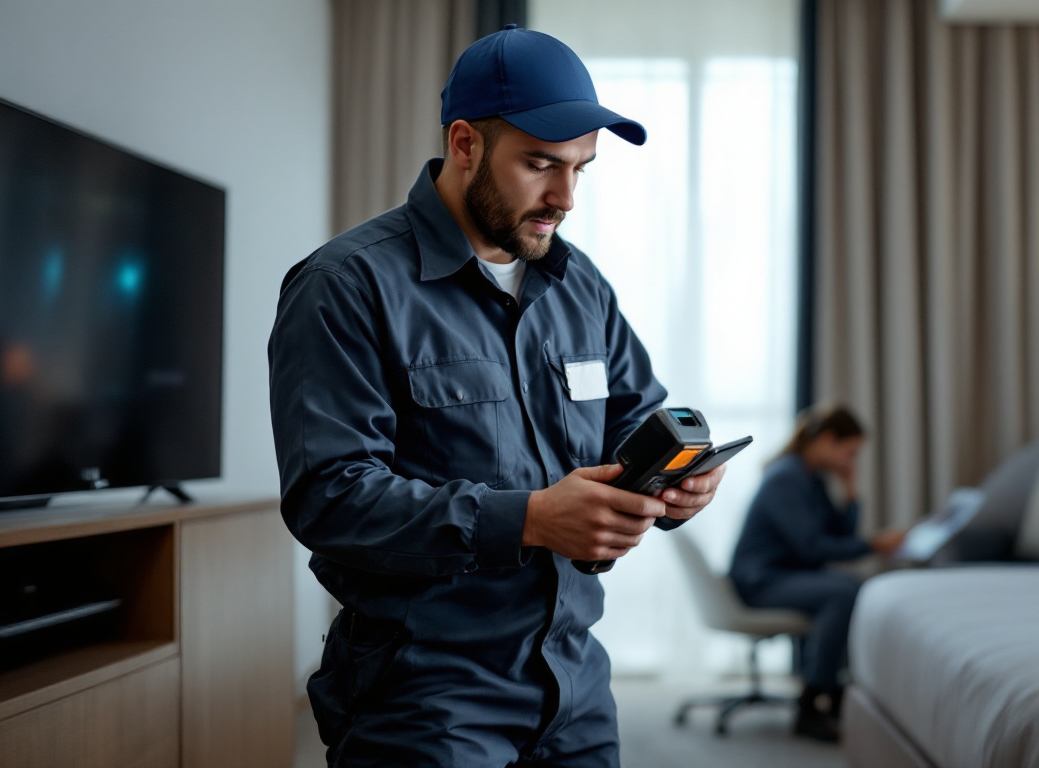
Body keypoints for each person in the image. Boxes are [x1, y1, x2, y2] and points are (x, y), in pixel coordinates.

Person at [267, 25, 726, 768]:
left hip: (576, 685)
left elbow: (636, 416)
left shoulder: (580, 287)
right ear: (465, 143)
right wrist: (532, 519)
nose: (565, 196)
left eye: (582, 167)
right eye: (541, 164)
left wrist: (681, 479)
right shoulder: (345, 287)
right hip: (426, 698)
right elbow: (330, 495)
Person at [728, 405, 904, 742]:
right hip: (760, 580)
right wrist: (875, 545)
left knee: (851, 588)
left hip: (781, 575)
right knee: (843, 592)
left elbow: (840, 535)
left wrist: (851, 489)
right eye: (849, 452)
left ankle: (833, 691)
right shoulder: (786, 477)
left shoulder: (809, 477)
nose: (850, 460)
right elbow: (811, 547)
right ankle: (814, 702)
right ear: (826, 440)